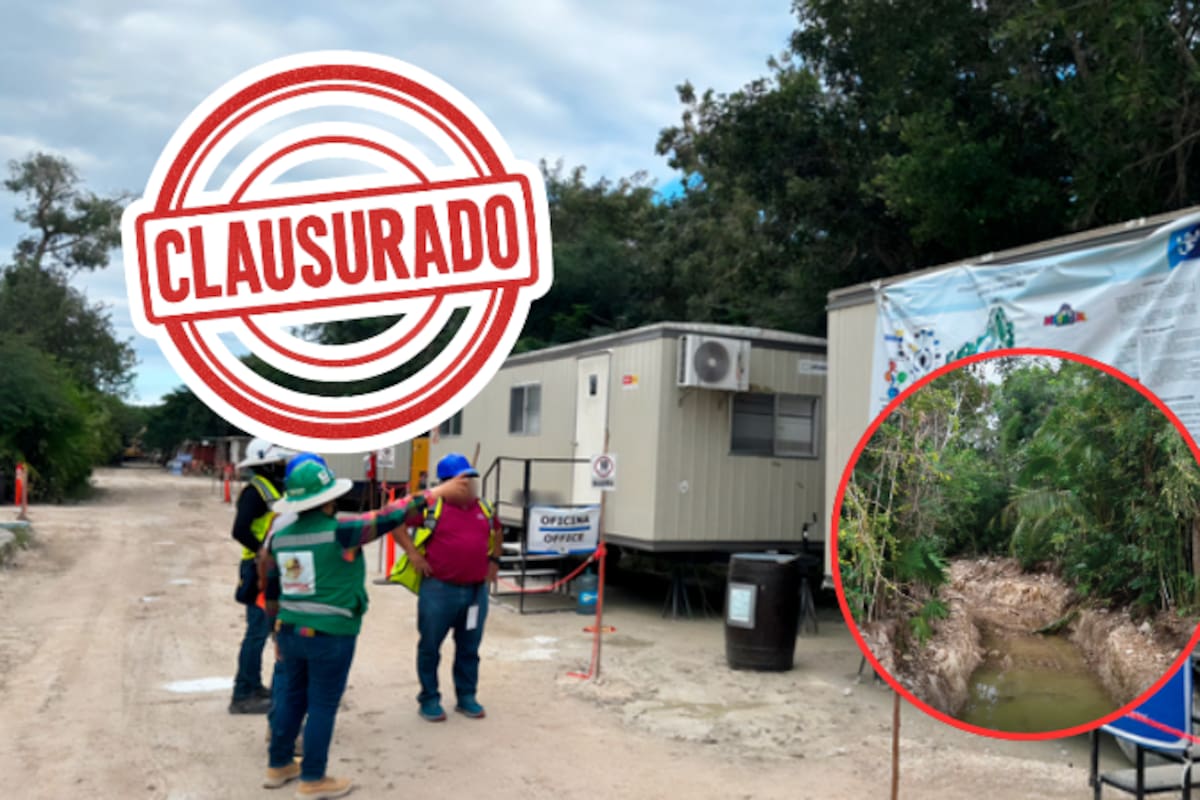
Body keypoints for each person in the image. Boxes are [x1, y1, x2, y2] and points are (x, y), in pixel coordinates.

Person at [261, 455, 448, 797]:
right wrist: (437, 491)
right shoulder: (342, 532)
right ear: (328, 497)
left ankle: (279, 764)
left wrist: (274, 629)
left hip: (290, 632)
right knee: (321, 705)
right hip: (331, 635)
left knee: (291, 699)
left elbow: (271, 588)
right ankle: (313, 777)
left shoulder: (281, 536)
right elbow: (391, 515)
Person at [394, 453, 503, 722]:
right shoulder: (431, 508)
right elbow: (394, 519)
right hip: (439, 591)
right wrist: (413, 554)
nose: (469, 485)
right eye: (462, 480)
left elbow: (498, 532)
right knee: (430, 647)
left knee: (469, 648)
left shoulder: (484, 509)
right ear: (445, 483)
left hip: (476, 593)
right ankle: (429, 698)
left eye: (471, 479)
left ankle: (467, 697)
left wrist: (494, 561)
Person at [229, 438, 295, 714]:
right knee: (256, 632)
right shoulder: (255, 492)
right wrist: (261, 552)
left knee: (265, 630)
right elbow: (240, 530)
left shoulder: (271, 488)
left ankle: (254, 685)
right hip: (258, 571)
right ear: (268, 463)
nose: (284, 466)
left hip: (271, 568)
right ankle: (243, 693)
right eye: (280, 462)